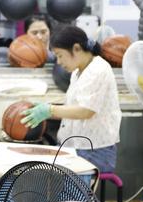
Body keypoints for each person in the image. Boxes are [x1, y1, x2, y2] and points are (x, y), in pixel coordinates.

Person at [21, 24, 121, 173]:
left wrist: (50, 110)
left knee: (53, 180)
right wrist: (46, 108)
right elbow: (74, 106)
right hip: (75, 146)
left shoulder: (98, 69)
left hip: (94, 150)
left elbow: (86, 111)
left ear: (76, 48)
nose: (59, 62)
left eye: (60, 55)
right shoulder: (78, 71)